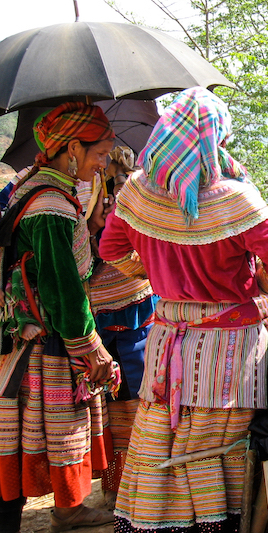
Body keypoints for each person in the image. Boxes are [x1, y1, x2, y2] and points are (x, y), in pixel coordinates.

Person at [99, 87, 268, 533]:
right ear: (215, 140)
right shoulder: (234, 198)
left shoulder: (138, 193)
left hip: (166, 336)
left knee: (159, 432)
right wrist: (255, 285)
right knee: (218, 440)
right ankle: (215, 522)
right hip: (225, 348)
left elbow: (110, 247)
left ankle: (152, 520)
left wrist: (155, 274)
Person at [0, 102, 118, 532]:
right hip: (45, 338)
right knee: (43, 429)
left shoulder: (35, 185)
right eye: (100, 153)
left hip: (33, 330)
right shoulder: (50, 203)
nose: (104, 163)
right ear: (72, 147)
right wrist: (91, 348)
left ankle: (68, 509)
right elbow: (61, 287)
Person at [87, 146, 159, 508]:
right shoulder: (84, 193)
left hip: (138, 308)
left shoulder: (134, 190)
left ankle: (141, 486)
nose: (106, 164)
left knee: (142, 397)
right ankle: (119, 489)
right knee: (117, 402)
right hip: (105, 312)